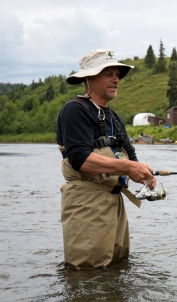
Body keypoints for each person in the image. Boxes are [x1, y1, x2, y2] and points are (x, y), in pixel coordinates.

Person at [56, 48, 156, 269]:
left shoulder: (114, 117)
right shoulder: (75, 110)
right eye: (108, 74)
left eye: (117, 75)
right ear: (89, 78)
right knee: (88, 273)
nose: (116, 80)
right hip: (86, 203)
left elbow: (130, 154)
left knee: (117, 267)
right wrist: (128, 166)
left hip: (115, 202)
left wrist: (143, 172)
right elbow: (79, 159)